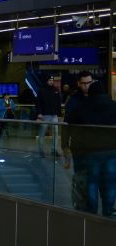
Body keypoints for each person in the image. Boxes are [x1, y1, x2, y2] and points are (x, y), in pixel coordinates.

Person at [65, 81, 116, 215]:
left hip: (90, 150)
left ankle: (91, 212)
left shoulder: (82, 107)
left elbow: (69, 125)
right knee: (110, 183)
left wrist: (66, 146)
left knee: (91, 182)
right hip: (112, 150)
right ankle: (108, 211)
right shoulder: (114, 106)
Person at [34, 75, 61, 158]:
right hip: (44, 116)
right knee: (42, 134)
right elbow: (38, 103)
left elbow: (58, 103)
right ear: (47, 81)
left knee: (56, 133)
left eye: (52, 80)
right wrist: (39, 113)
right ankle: (41, 151)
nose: (51, 81)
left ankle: (54, 150)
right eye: (50, 80)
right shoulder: (41, 90)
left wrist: (58, 114)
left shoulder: (56, 90)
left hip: (54, 115)